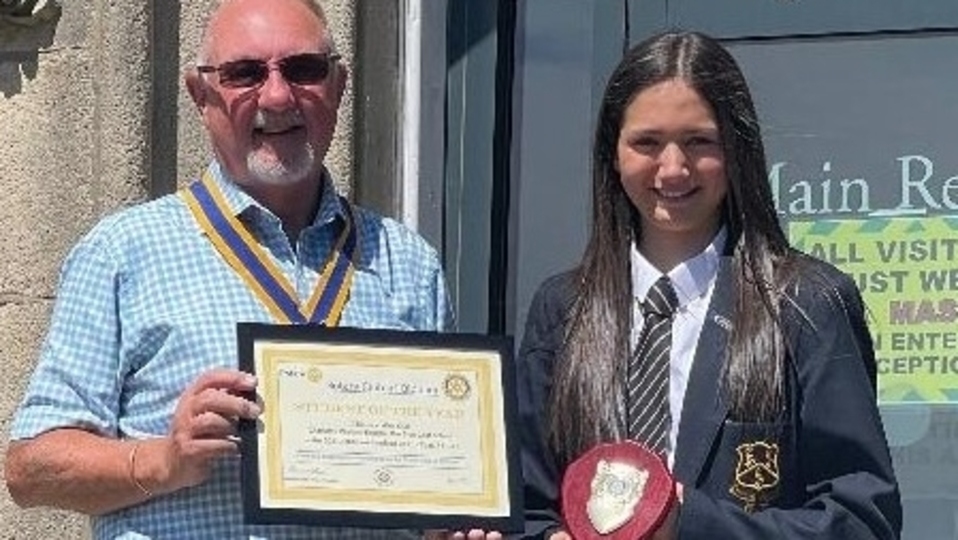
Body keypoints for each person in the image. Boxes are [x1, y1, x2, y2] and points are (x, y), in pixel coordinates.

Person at [4, 0, 453, 538]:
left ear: (338, 84)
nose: (278, 95)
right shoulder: (123, 253)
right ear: (201, 94)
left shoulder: (409, 262)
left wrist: (456, 519)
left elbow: (441, 481)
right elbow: (30, 470)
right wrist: (164, 461)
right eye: (245, 73)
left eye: (304, 69)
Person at [516, 30, 902, 539]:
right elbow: (526, 504)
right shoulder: (564, 308)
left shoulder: (807, 304)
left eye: (699, 142)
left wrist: (689, 522)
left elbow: (861, 521)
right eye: (647, 143)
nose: (673, 169)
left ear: (737, 150)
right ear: (613, 153)